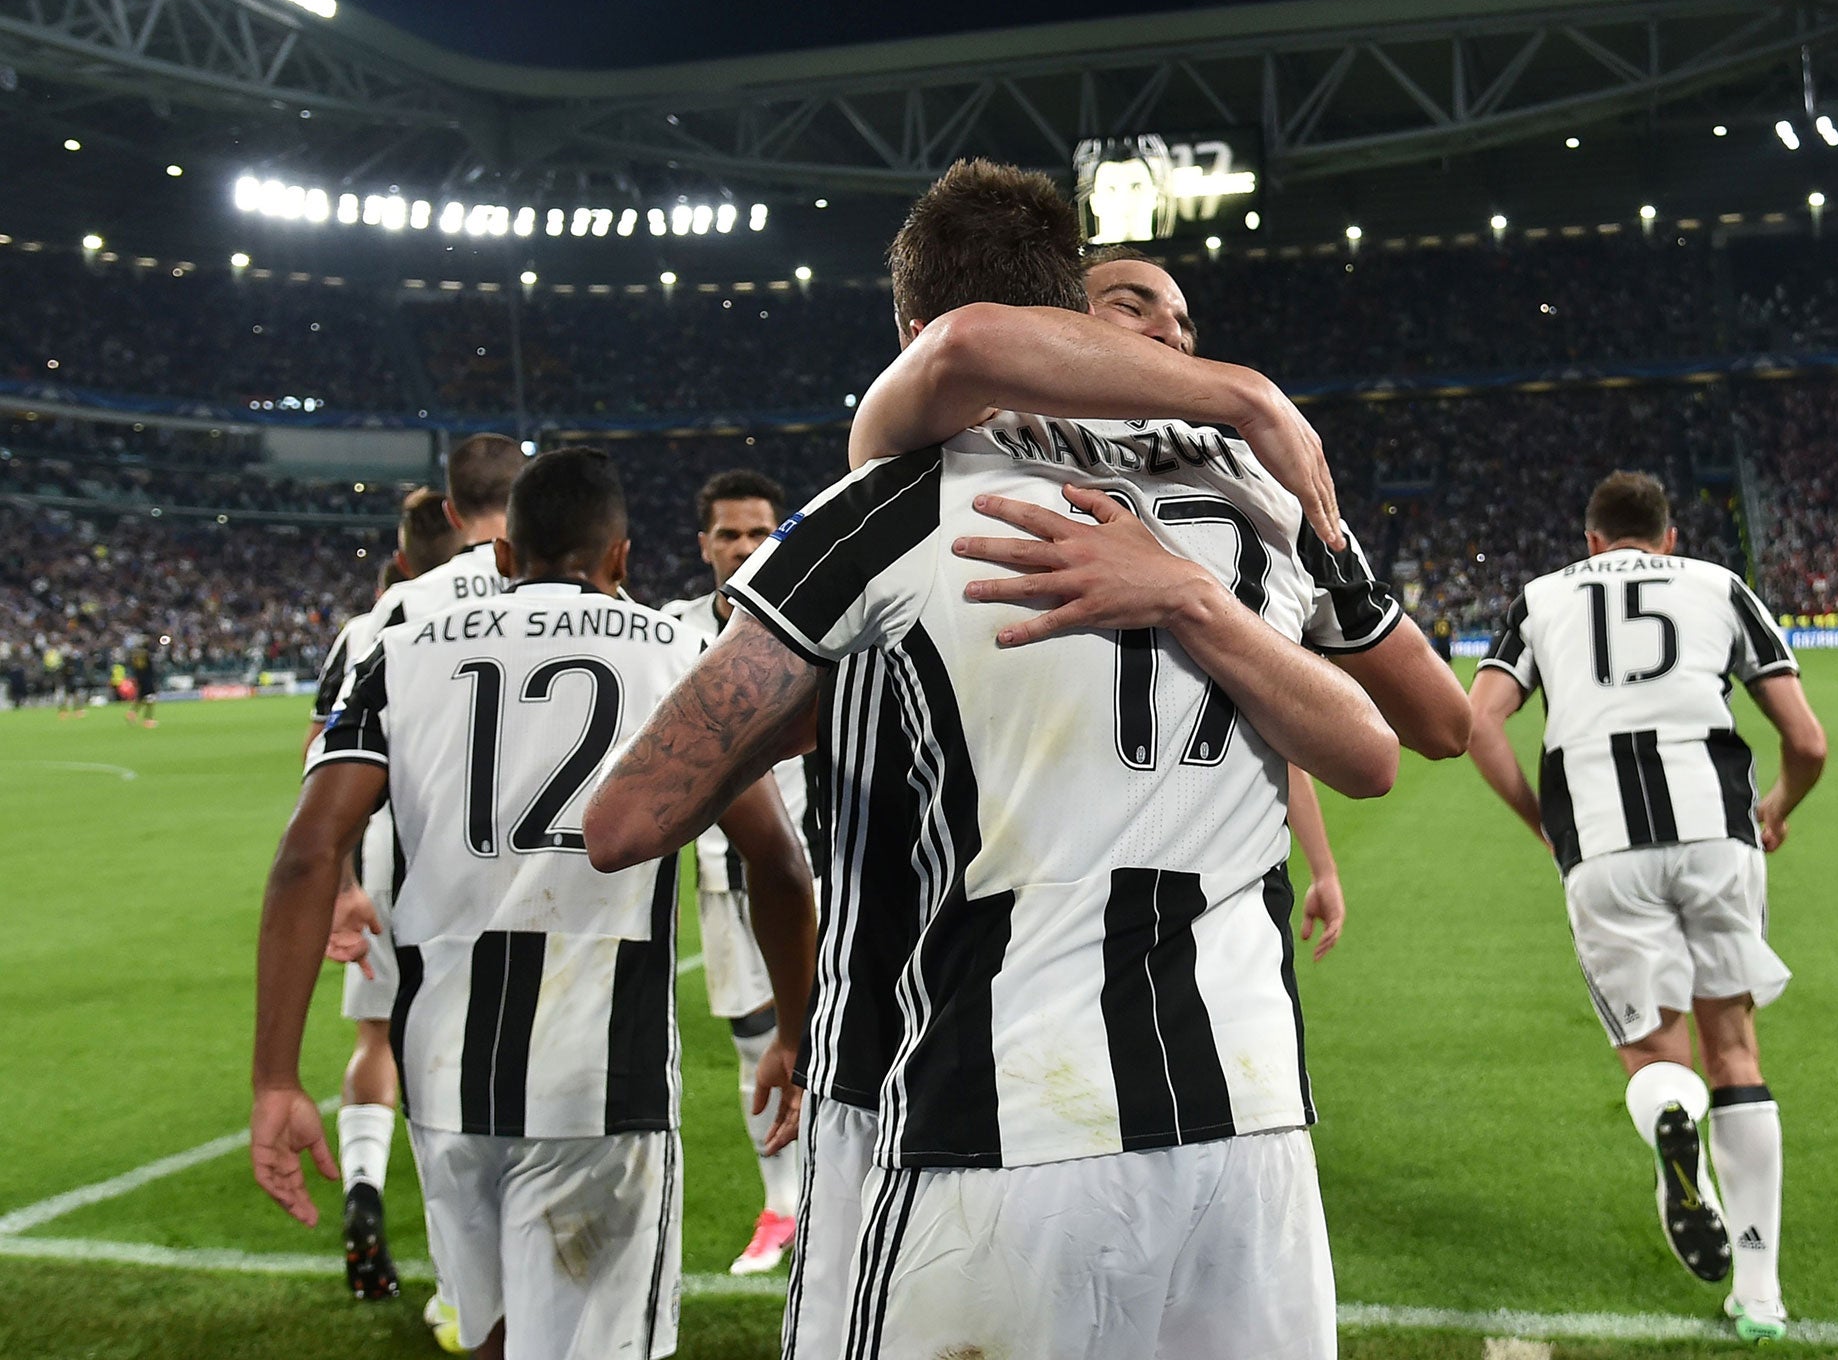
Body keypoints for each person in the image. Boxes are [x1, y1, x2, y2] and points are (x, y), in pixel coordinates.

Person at [586, 161, 1435, 1360]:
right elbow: (1382, 743)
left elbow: (626, 822)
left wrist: (810, 710)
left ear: (903, 334)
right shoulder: (1253, 511)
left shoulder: (882, 506)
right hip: (1245, 1121)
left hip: (989, 1111)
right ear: (1072, 313)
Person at [253, 447, 818, 1360]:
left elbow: (306, 854)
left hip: (440, 1068)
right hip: (603, 1074)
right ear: (623, 559)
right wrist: (794, 1032)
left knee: (487, 1335)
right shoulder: (677, 651)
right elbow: (779, 865)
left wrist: (275, 1080)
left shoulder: (398, 652)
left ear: (505, 557)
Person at [1466, 471, 1827, 1345]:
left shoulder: (1542, 597)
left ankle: (1672, 1116)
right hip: (1719, 835)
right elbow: (1808, 742)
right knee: (1735, 1050)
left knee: (1656, 1057)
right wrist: (1773, 809)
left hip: (1603, 845)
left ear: (1591, 540)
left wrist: (1543, 825)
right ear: (1668, 537)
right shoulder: (1718, 584)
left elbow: (1477, 724)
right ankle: (1760, 1294)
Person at [302, 487, 462, 1307]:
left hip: (379, 864)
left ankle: (364, 1185)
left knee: (377, 1038)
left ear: (399, 559)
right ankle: (460, 1266)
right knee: (465, 1057)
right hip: (477, 872)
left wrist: (341, 886)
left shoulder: (372, 625)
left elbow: (318, 754)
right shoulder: (513, 602)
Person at [658, 468, 815, 1276]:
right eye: (730, 534)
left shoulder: (822, 618)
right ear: (704, 545)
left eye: (760, 532)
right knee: (757, 1038)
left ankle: (840, 1193)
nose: (746, 547)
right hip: (725, 875)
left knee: (846, 1037)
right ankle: (783, 1205)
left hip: (828, 868)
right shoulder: (668, 633)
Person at [124, 641, 160, 727]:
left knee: (141, 697)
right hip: (148, 679)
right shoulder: (147, 655)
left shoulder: (136, 655)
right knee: (151, 699)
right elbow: (151, 668)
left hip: (139, 679)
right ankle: (148, 719)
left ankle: (132, 713)